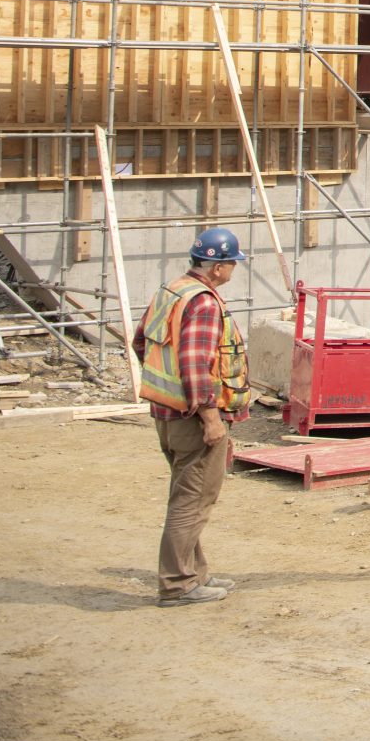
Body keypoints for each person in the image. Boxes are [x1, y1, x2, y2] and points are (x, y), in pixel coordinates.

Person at [132, 226, 255, 606]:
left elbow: (140, 342)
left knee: (188, 494)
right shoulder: (202, 303)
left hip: (166, 414)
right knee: (193, 499)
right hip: (192, 418)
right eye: (232, 263)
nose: (233, 269)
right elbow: (194, 364)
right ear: (218, 267)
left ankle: (193, 573)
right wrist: (210, 417)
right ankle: (178, 584)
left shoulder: (171, 292)